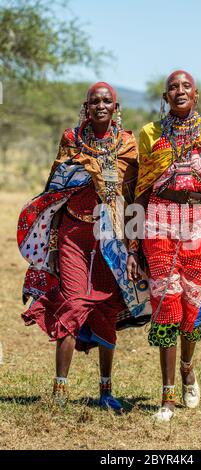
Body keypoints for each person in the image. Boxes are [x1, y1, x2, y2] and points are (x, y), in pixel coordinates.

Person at [17, 82, 150, 409]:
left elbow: (133, 199)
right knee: (74, 303)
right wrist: (48, 244)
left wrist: (133, 247)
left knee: (106, 307)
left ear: (116, 107)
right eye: (94, 101)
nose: (101, 105)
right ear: (86, 106)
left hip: (111, 236)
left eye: (107, 101)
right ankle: (59, 392)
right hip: (73, 234)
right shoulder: (71, 140)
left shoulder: (129, 144)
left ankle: (106, 391)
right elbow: (55, 188)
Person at [127, 70, 201, 421]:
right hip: (158, 222)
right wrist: (132, 245)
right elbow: (139, 190)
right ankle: (167, 396)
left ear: (196, 94)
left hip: (200, 224)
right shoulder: (150, 134)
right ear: (165, 95)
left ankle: (188, 368)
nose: (179, 90)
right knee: (166, 306)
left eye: (186, 85)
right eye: (173, 86)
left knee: (192, 305)